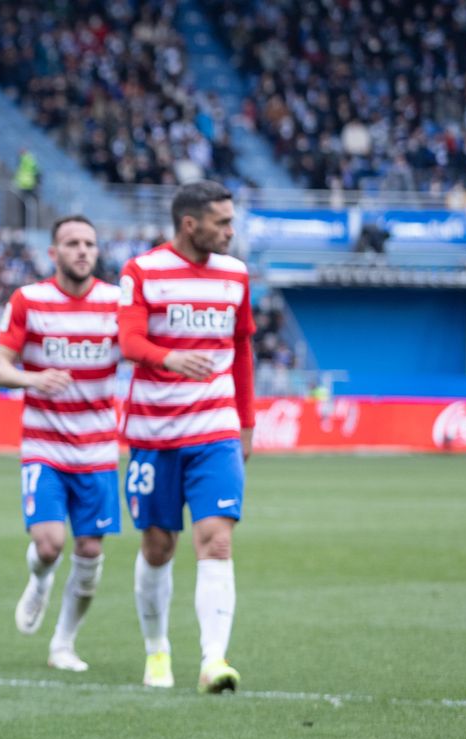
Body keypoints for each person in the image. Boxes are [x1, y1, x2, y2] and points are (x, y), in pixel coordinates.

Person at [116, 180, 255, 693]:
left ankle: (213, 661)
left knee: (216, 540)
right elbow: (128, 339)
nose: (231, 231)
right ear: (190, 224)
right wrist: (167, 356)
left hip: (215, 429)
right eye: (222, 222)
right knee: (158, 545)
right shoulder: (143, 271)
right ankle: (157, 650)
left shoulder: (236, 275)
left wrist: (247, 422)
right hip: (154, 432)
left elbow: (241, 351)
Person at [0, 216, 121, 672]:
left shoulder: (116, 304)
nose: (82, 250)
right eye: (72, 243)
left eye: (89, 243)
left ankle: (63, 644)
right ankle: (40, 580)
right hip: (45, 444)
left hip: (99, 448)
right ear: (54, 253)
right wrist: (35, 378)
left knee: (89, 551)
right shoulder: (30, 300)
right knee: (49, 545)